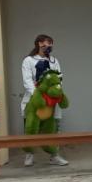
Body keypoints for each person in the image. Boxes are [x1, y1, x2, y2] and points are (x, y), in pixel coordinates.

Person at [21, 34, 67, 168]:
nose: (47, 46)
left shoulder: (54, 60)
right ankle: (29, 154)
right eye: (45, 43)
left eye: (50, 43)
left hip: (51, 101)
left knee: (53, 129)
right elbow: (27, 80)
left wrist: (56, 93)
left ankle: (54, 155)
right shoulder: (28, 60)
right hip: (35, 100)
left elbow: (59, 78)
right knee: (30, 128)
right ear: (38, 44)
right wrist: (38, 95)